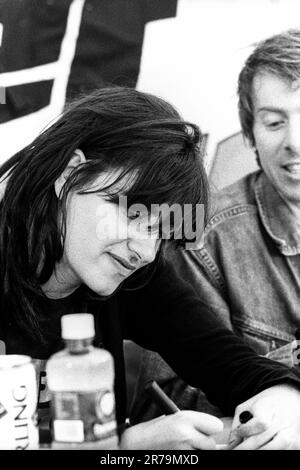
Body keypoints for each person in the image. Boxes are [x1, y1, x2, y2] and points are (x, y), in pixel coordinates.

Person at [1, 86, 300, 451]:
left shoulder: (136, 275)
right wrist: (125, 448)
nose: (144, 249)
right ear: (69, 174)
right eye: (132, 213)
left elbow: (224, 360)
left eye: (161, 231)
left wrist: (284, 396)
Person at [130, 28, 300, 447]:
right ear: (249, 134)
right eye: (275, 122)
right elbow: (165, 404)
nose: (295, 142)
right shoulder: (201, 237)